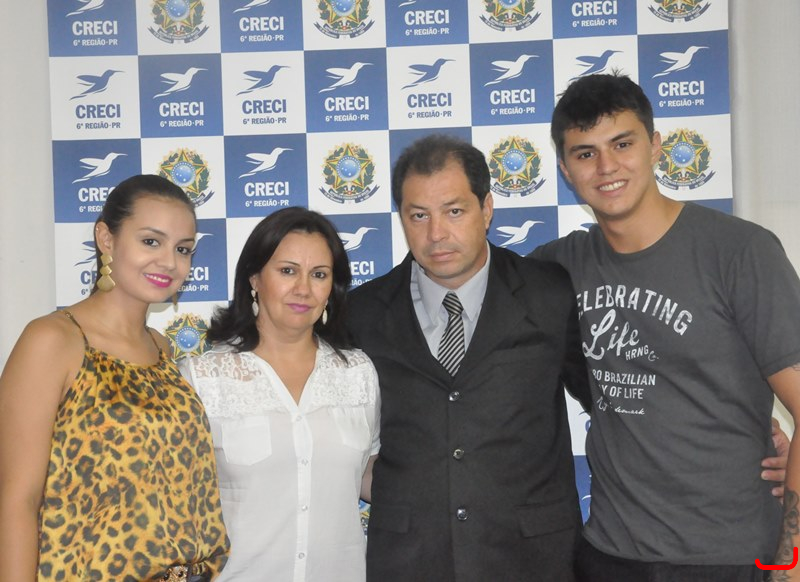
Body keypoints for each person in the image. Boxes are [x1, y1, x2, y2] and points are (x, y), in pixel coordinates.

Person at [531, 73, 800, 580]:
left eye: (622, 144)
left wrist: (790, 562)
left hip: (727, 557)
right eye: (586, 153)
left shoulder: (740, 252)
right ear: (565, 170)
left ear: (655, 146)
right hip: (610, 554)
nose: (606, 167)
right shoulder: (556, 268)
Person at [347, 134, 593, 581]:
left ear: (487, 208)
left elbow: (609, 404)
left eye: (454, 211)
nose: (436, 234)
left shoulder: (550, 293)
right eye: (418, 215)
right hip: (408, 562)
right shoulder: (361, 313)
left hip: (533, 560)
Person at [0, 174, 230, 581]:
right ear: (106, 239)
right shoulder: (54, 340)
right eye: (151, 241)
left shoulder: (161, 347)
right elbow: (17, 500)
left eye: (182, 249)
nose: (169, 262)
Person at [179, 207, 380, 581]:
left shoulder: (358, 373)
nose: (303, 288)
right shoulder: (202, 378)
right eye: (287, 271)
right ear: (254, 278)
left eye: (319, 274)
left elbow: (369, 473)